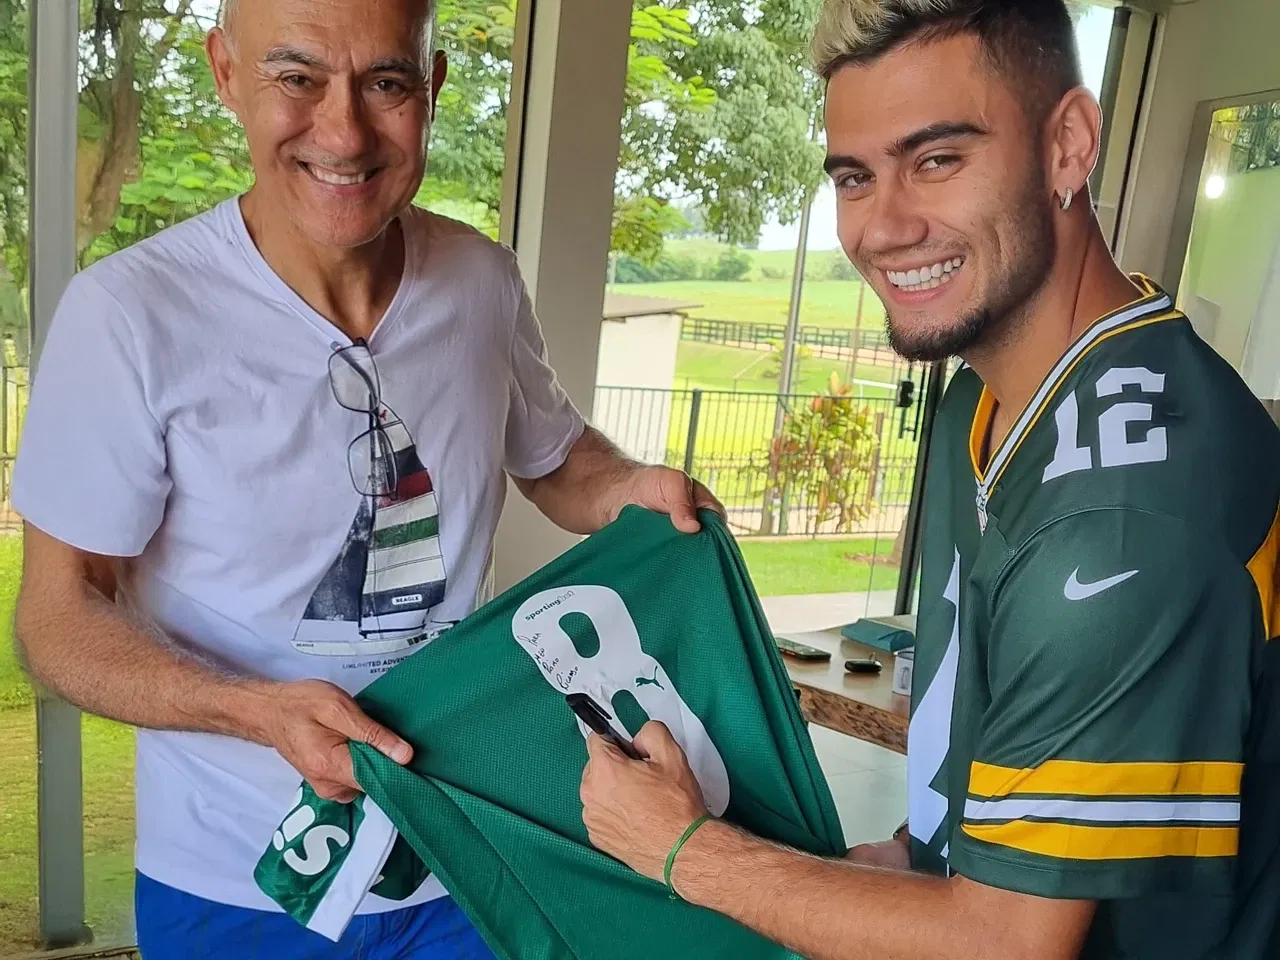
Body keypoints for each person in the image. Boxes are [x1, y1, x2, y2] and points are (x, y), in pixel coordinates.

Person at [11, 0, 718, 957]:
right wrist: (254, 712)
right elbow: (58, 619)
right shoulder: (128, 315)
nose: (343, 131)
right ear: (226, 74)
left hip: (472, 848)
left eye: (385, 82)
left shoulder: (480, 281)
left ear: (431, 87)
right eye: (295, 78)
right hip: (242, 885)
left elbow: (557, 459)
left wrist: (629, 488)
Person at [579, 1, 1280, 958]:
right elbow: (955, 842)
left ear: (1068, 146)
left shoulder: (1122, 523)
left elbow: (1005, 943)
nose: (885, 226)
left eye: (938, 160)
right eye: (856, 177)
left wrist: (684, 851)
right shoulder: (982, 399)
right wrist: (832, 864)